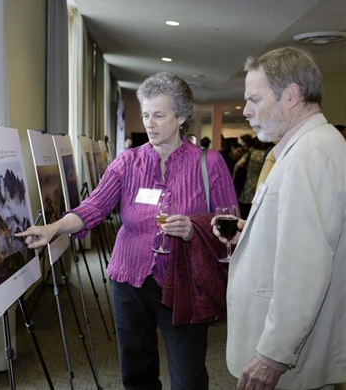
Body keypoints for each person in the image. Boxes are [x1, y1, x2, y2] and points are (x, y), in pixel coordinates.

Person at [18, 71, 238, 390]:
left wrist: (194, 228)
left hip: (184, 281)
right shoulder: (128, 162)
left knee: (189, 375)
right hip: (129, 279)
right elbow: (93, 207)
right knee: (137, 372)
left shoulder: (210, 164)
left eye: (159, 115)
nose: (149, 123)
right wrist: (54, 228)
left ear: (181, 117)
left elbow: (229, 224)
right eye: (146, 114)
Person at [213, 47, 345, 390]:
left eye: (255, 99)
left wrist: (272, 355)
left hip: (292, 361)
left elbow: (306, 267)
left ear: (291, 95)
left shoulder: (309, 155)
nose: (246, 110)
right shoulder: (309, 147)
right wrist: (252, 235)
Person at [232, 137, 266, 218]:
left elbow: (237, 165)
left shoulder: (250, 154)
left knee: (245, 213)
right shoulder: (265, 154)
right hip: (260, 186)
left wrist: (234, 176)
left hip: (247, 186)